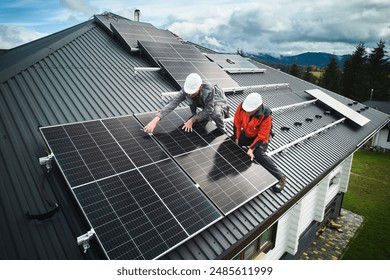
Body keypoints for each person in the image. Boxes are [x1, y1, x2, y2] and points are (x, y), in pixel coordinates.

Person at [233, 92, 286, 193]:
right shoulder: (242, 107)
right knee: (232, 140)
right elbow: (237, 123)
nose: (246, 112)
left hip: (262, 137)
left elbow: (262, 136)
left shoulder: (266, 115)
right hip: (249, 133)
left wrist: (251, 149)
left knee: (258, 154)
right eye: (246, 110)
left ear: (257, 108)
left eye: (249, 111)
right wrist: (236, 139)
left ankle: (281, 177)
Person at [144, 73, 228, 133]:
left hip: (217, 100)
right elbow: (174, 102)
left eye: (192, 92)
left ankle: (223, 130)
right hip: (202, 100)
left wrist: (192, 120)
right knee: (201, 117)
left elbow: (209, 110)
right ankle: (204, 118)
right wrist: (155, 120)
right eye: (188, 93)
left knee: (215, 114)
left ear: (199, 87)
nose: (190, 94)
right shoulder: (187, 89)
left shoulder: (209, 89)